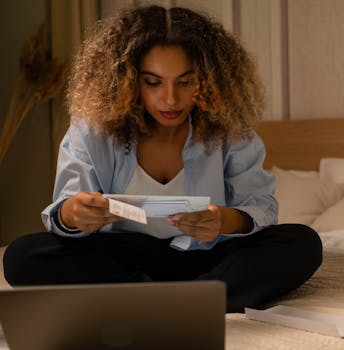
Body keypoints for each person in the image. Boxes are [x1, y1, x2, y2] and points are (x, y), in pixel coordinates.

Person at [3, 5, 322, 313]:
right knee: (22, 256)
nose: (170, 98)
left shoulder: (231, 132)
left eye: (186, 82)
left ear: (209, 80)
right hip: (122, 257)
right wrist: (76, 213)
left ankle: (162, 302)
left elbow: (261, 208)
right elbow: (65, 211)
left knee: (302, 243)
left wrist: (222, 220)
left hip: (206, 255)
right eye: (153, 82)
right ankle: (190, 301)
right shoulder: (92, 130)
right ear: (127, 80)